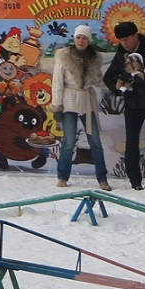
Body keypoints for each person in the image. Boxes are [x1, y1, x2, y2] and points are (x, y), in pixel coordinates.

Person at [104, 20, 145, 193]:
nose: (124, 43)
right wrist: (121, 90)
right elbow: (108, 77)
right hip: (132, 105)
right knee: (131, 143)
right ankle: (135, 180)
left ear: (136, 35)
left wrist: (139, 77)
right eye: (121, 40)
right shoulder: (120, 55)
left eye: (127, 39)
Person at [51, 26, 111, 190]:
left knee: (95, 142)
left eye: (84, 38)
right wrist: (57, 105)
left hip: (87, 100)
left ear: (89, 40)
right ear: (74, 38)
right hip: (69, 100)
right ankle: (62, 176)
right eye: (78, 37)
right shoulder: (64, 56)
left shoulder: (95, 58)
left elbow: (98, 80)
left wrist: (116, 84)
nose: (81, 41)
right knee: (69, 142)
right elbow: (57, 81)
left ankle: (102, 178)